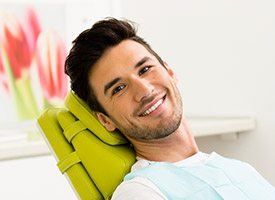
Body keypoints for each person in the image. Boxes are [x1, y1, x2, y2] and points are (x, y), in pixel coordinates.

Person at [65, 18, 275, 199]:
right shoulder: (139, 192)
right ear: (105, 119)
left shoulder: (240, 170)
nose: (144, 90)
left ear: (170, 71)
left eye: (145, 69)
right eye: (119, 88)